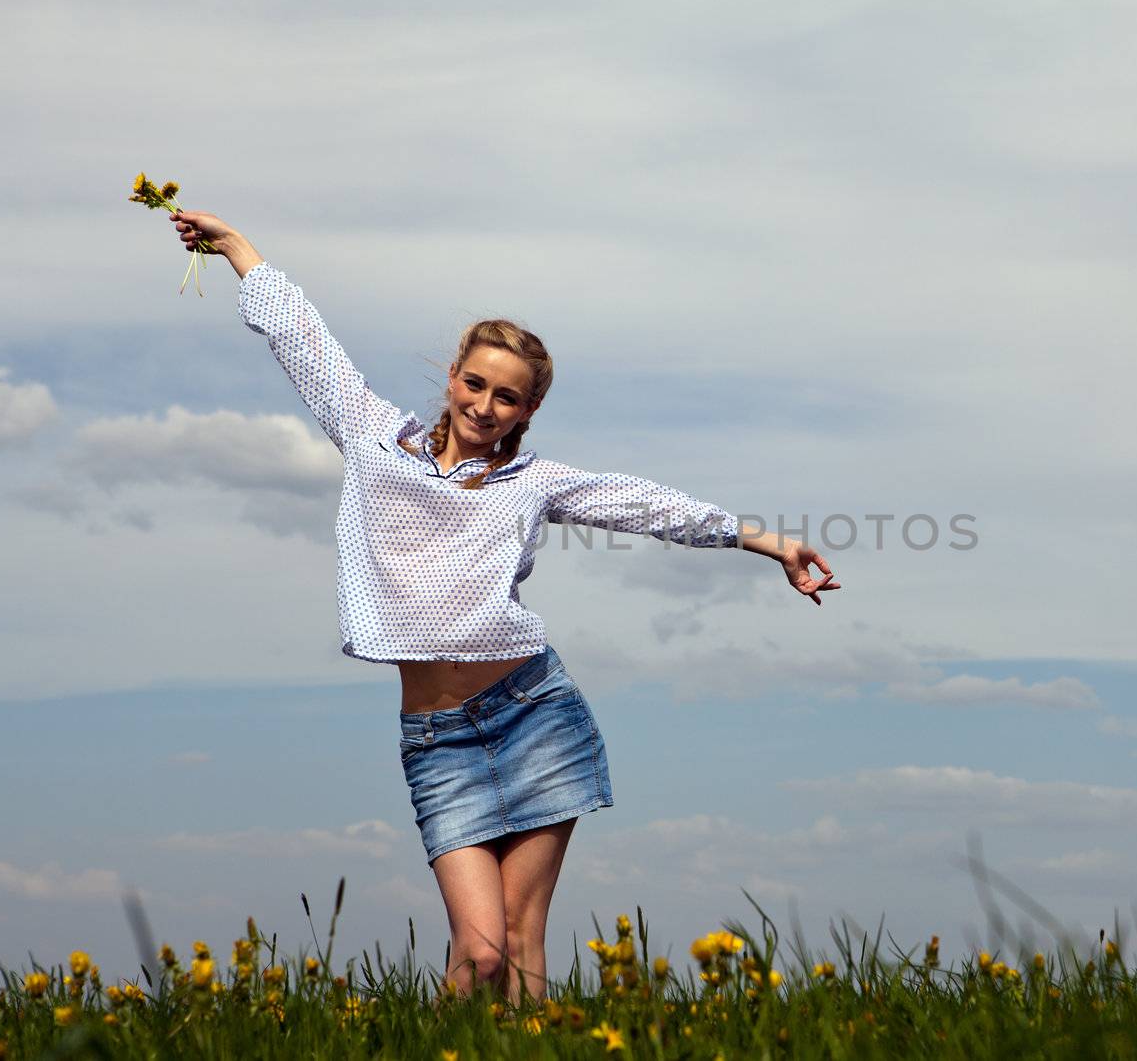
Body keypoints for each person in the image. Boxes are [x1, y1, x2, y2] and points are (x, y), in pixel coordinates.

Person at [164, 209, 841, 1006]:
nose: (486, 405)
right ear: (453, 376)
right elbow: (304, 341)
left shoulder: (533, 482)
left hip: (536, 713)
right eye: (476, 383)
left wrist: (766, 543)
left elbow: (643, 505)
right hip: (438, 739)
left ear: (527, 412)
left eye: (508, 397)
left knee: (520, 944)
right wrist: (240, 250)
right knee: (478, 951)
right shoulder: (372, 435)